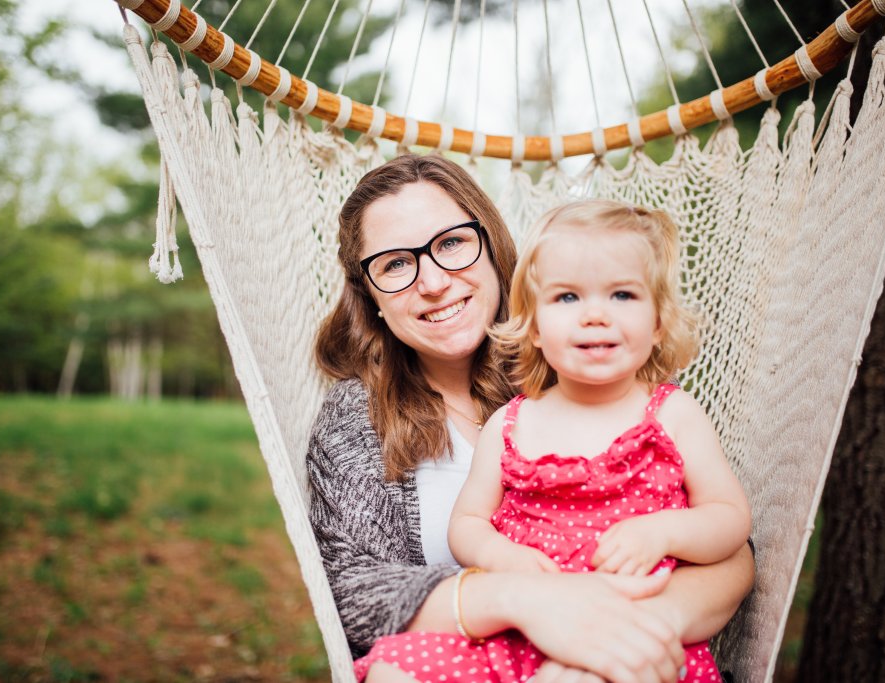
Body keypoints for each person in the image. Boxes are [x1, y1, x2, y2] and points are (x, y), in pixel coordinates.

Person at [307, 154, 755, 683]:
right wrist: (523, 601)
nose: (432, 281)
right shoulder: (358, 416)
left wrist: (616, 636)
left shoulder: (591, 371)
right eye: (396, 264)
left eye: (451, 243)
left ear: (493, 248)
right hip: (484, 659)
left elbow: (733, 551)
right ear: (370, 295)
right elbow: (350, 592)